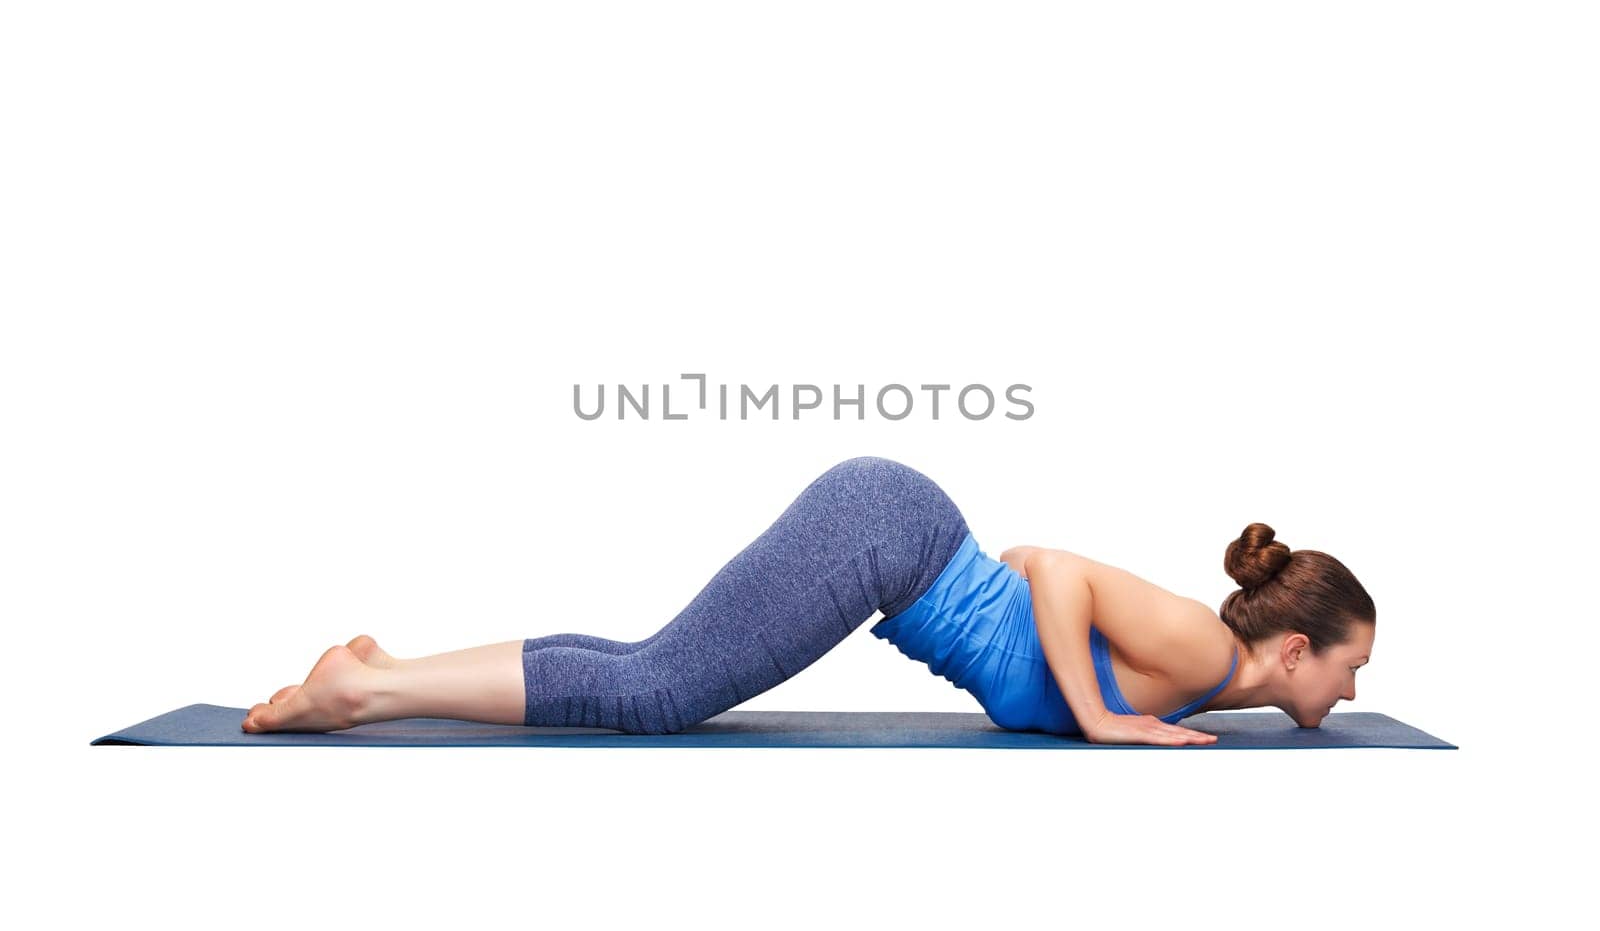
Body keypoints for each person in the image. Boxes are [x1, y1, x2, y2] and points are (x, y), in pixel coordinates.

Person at [240, 456, 1376, 746]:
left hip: (905, 537)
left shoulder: (1219, 690)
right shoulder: (1191, 641)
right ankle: (364, 690)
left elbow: (1028, 564)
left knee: (649, 662)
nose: (1355, 684)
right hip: (887, 535)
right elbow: (1063, 568)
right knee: (657, 694)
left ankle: (384, 668)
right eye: (1348, 664)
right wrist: (1094, 713)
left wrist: (1012, 634)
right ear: (1290, 650)